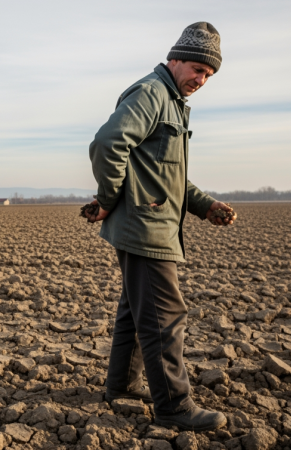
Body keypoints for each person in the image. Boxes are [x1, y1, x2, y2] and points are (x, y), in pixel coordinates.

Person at [86, 22, 236, 431]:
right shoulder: (152, 93)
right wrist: (109, 199)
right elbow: (107, 143)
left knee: (136, 312)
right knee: (165, 316)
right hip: (144, 226)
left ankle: (121, 386)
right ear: (176, 59)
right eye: (197, 69)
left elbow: (166, 174)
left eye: (209, 75)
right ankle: (174, 406)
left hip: (150, 223)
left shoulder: (172, 102)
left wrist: (205, 205)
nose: (202, 79)